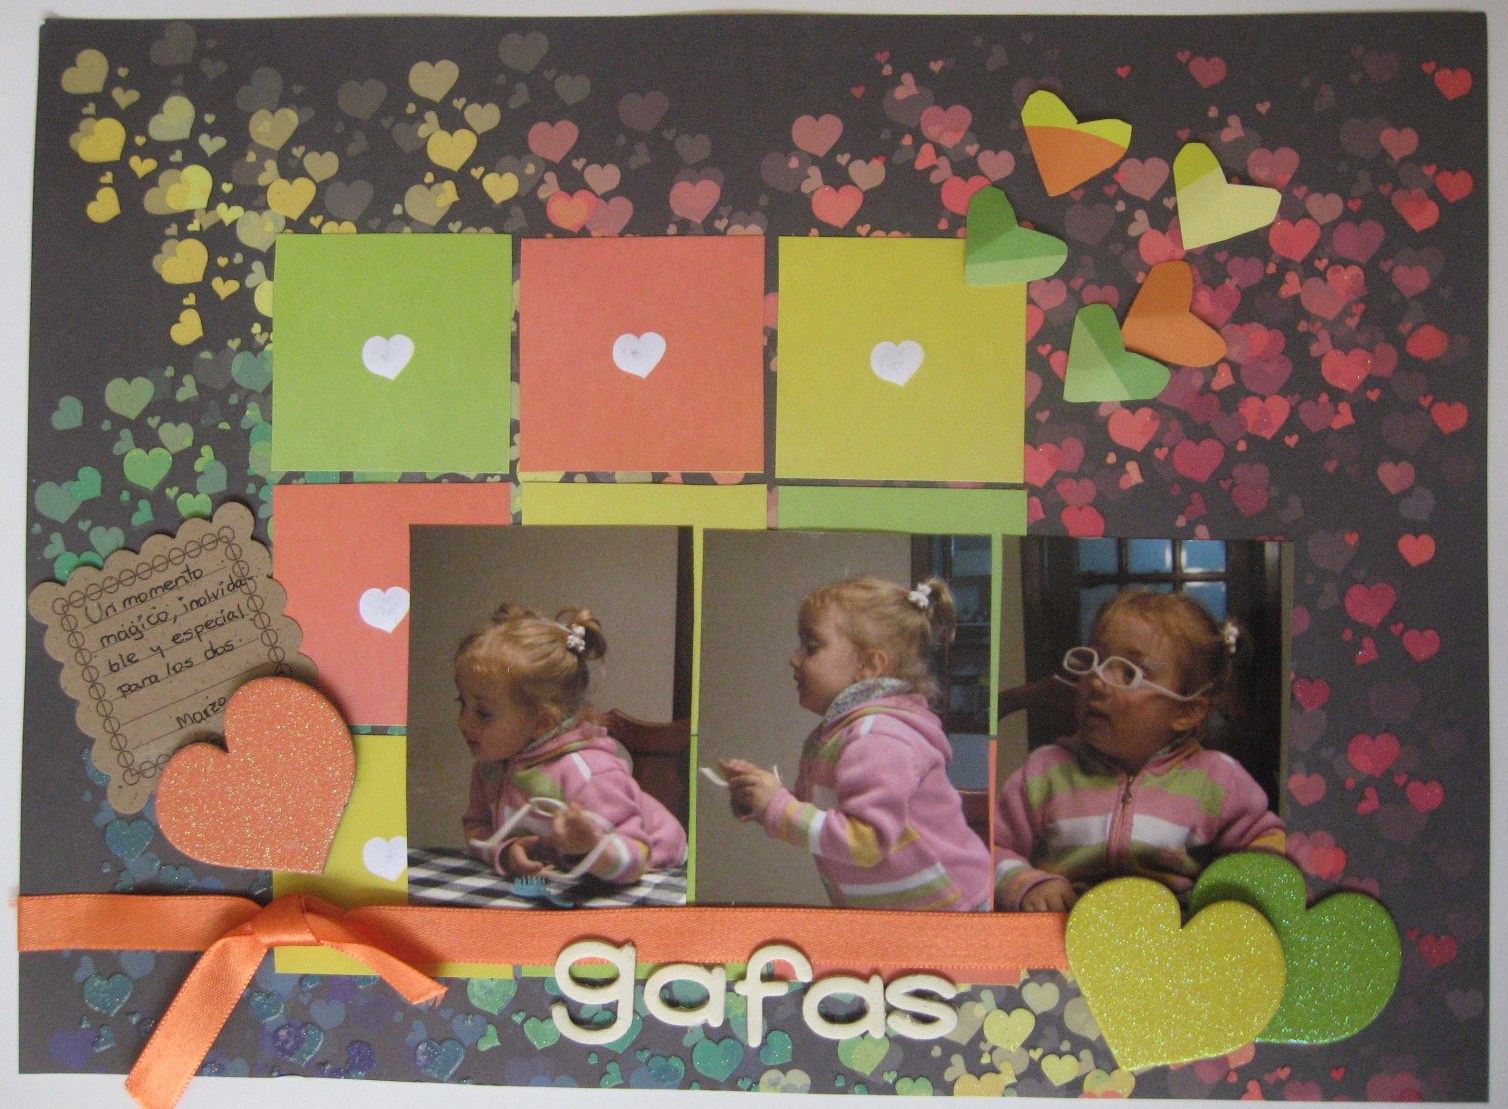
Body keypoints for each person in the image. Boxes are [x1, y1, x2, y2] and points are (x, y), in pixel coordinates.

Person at [994, 588, 1285, 911]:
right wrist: (1027, 883)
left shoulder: (1219, 780)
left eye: (1129, 672)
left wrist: (1226, 900)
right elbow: (991, 851)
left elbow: (1267, 850)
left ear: (1185, 712)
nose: (1098, 681)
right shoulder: (1044, 772)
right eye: (1094, 660)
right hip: (1063, 934)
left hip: (1174, 936)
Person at [720, 577, 992, 910]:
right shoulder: (835, 736)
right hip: (901, 917)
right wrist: (759, 799)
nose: (794, 658)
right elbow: (822, 817)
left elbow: (866, 841)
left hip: (955, 912)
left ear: (868, 666)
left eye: (811, 646)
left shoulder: (879, 738)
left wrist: (777, 806)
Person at [457, 604, 686, 884]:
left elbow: (636, 855)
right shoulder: (490, 768)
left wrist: (591, 849)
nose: (464, 722)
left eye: (483, 713)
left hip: (657, 870)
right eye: (461, 703)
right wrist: (505, 853)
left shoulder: (589, 773)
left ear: (541, 722)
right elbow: (477, 827)